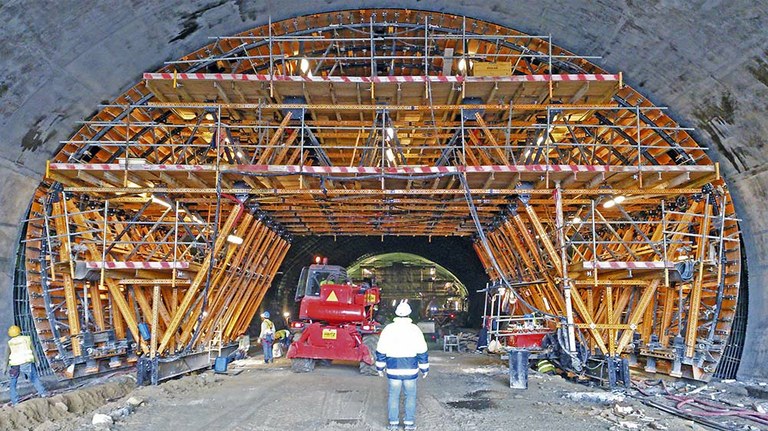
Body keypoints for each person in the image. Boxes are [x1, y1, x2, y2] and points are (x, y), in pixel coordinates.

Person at [375, 301, 429, 431]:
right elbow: (422, 350)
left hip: (393, 368)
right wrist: (424, 368)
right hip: (410, 369)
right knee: (410, 395)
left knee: (393, 395)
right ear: (409, 313)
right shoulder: (415, 329)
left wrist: (380, 367)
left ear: (396, 313)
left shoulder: (389, 329)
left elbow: (381, 349)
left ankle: (393, 424)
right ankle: (409, 424)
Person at [2, 325, 47, 405]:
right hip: (27, 363)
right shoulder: (27, 339)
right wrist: (37, 360)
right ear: (19, 331)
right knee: (34, 378)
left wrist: (4, 368)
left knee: (13, 383)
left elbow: (6, 357)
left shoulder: (10, 343)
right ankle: (43, 393)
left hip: (15, 365)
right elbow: (33, 350)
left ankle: (15, 401)